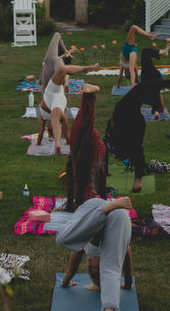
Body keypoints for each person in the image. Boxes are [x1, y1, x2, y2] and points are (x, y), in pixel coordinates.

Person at [104, 77, 170, 193]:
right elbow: (144, 88)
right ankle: (137, 181)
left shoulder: (118, 117)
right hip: (133, 124)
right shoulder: (134, 117)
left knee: (110, 144)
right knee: (137, 149)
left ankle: (106, 170)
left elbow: (106, 147)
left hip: (120, 129)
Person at [62, 84, 108, 291]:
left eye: (93, 269)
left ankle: (88, 99)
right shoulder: (112, 246)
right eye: (99, 269)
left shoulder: (86, 243)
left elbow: (73, 262)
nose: (94, 266)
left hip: (85, 188)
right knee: (83, 137)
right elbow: (127, 258)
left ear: (89, 268)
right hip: (95, 170)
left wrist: (66, 280)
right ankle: (88, 98)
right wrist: (126, 281)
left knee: (80, 138)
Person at [56, 197, 134, 311]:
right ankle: (110, 308)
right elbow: (127, 268)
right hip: (119, 214)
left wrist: (65, 283)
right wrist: (128, 284)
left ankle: (106, 209)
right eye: (101, 271)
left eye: (95, 270)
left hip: (91, 208)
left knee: (62, 240)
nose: (99, 267)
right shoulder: (114, 253)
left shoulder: (83, 249)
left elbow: (71, 271)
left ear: (89, 264)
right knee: (111, 269)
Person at [41, 63, 100, 155]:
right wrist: (68, 141)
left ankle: (57, 143)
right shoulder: (53, 116)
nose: (49, 128)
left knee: (55, 121)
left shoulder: (44, 116)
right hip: (56, 97)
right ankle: (88, 67)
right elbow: (65, 130)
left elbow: (41, 133)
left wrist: (38, 142)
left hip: (53, 97)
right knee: (62, 69)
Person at [117, 25, 160, 89]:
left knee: (133, 27)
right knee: (134, 27)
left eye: (125, 73)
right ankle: (132, 86)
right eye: (127, 73)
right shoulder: (131, 66)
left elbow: (120, 76)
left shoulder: (122, 66)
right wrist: (137, 84)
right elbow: (135, 75)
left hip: (126, 48)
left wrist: (118, 85)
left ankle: (150, 36)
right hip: (132, 50)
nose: (125, 72)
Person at [140, 41, 170, 120]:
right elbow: (161, 106)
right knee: (145, 51)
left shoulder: (145, 96)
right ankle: (163, 52)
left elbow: (161, 104)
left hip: (148, 79)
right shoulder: (153, 95)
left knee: (145, 51)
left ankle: (163, 52)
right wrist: (160, 108)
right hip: (154, 77)